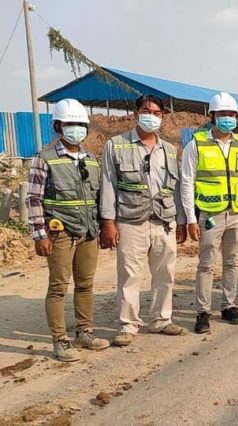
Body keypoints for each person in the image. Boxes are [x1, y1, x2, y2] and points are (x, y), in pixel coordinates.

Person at [100, 94, 188, 346]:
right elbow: (108, 184)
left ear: (163, 117)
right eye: (147, 111)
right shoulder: (116, 145)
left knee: (165, 273)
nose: (152, 117)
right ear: (136, 113)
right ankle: (128, 324)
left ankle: (161, 319)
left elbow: (175, 187)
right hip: (131, 221)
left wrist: (181, 219)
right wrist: (108, 222)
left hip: (164, 220)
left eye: (157, 113)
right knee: (129, 275)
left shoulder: (169, 149)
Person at [26, 99, 109, 362]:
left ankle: (84, 332)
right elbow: (33, 198)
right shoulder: (45, 158)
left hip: (88, 232)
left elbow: (97, 197)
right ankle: (60, 340)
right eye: (71, 123)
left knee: (85, 284)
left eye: (81, 124)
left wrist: (103, 226)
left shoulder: (91, 159)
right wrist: (40, 235)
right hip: (60, 232)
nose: (77, 128)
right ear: (58, 126)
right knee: (58, 287)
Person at [181, 92, 238, 333]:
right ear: (211, 115)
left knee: (232, 262)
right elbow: (186, 182)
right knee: (206, 265)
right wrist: (191, 219)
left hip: (236, 213)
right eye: (223, 114)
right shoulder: (196, 144)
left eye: (232, 114)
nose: (228, 118)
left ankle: (229, 306)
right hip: (210, 215)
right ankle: (203, 312)